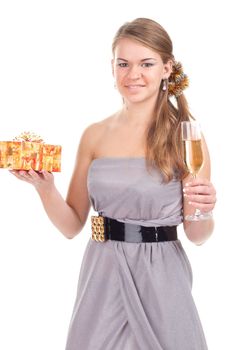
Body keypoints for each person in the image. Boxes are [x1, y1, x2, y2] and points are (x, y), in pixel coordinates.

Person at [10, 17, 216, 350]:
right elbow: (71, 226)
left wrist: (204, 211)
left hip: (162, 279)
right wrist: (45, 188)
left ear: (167, 68)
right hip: (101, 275)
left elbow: (198, 236)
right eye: (124, 63)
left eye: (146, 64)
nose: (133, 74)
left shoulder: (185, 136)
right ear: (112, 68)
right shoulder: (94, 135)